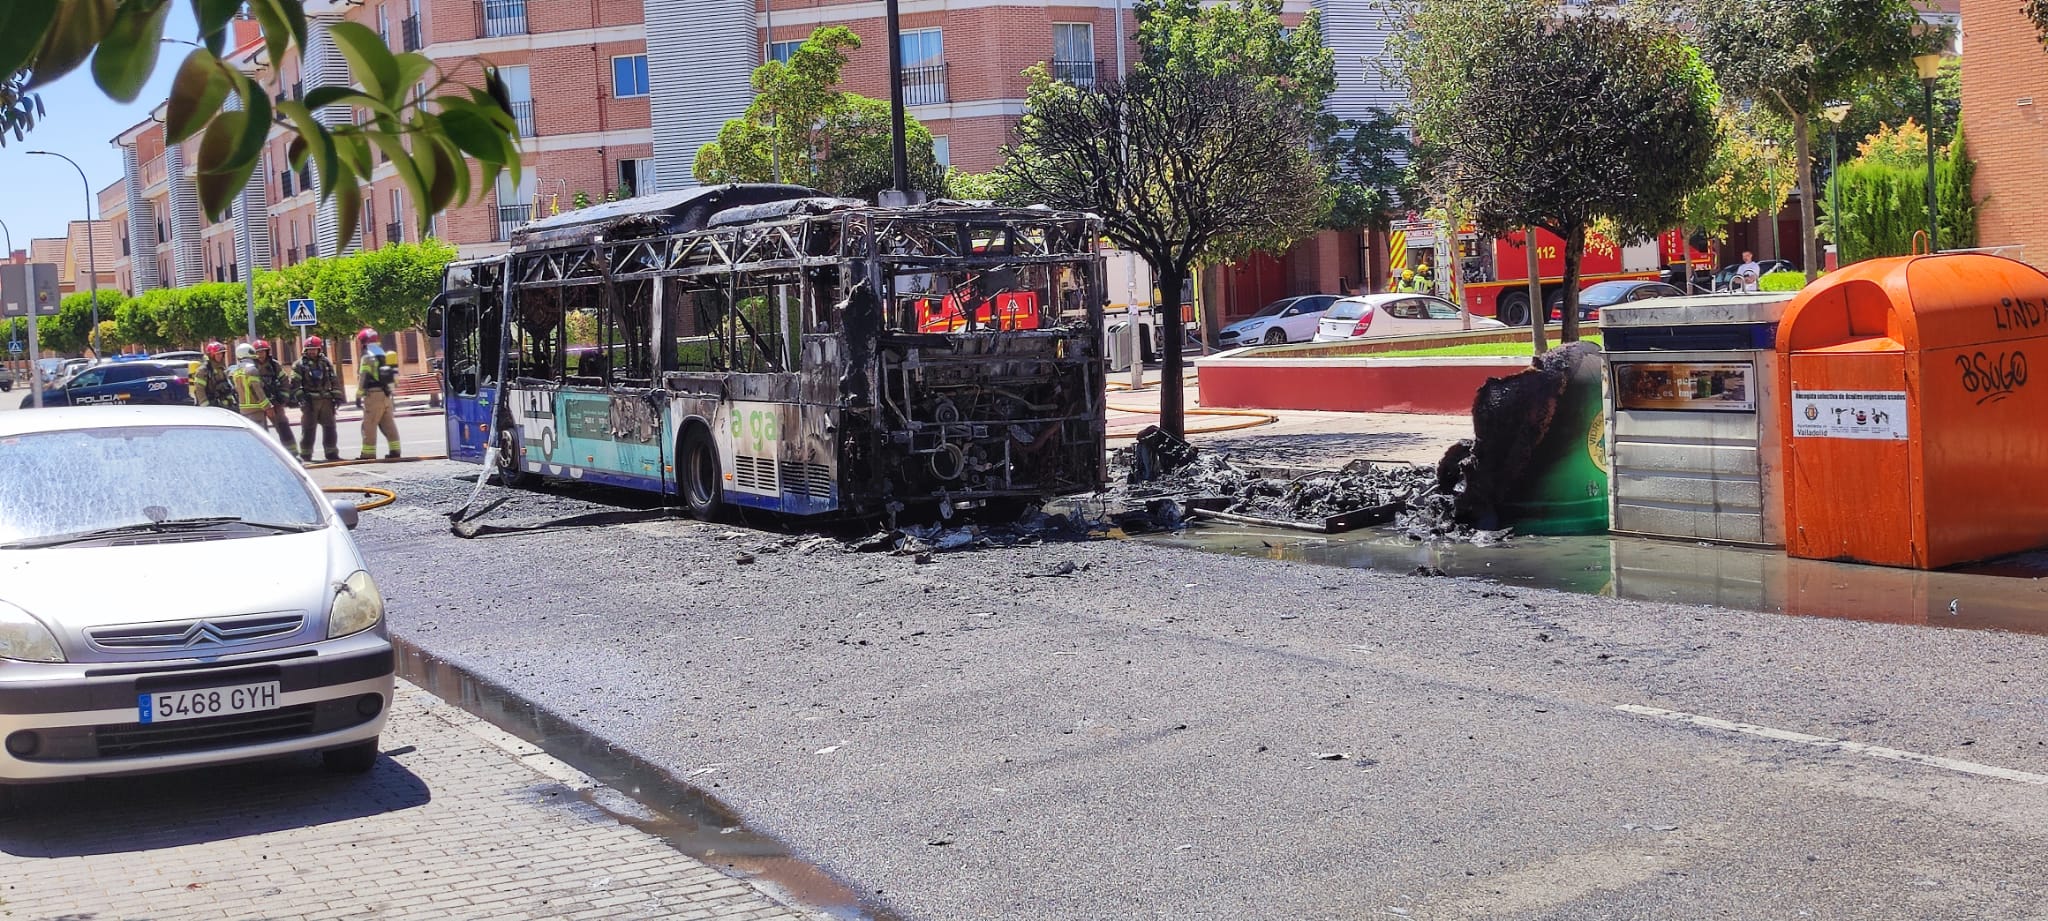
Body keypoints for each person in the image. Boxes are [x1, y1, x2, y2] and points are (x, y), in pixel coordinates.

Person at [293, 335, 344, 462]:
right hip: (310, 402)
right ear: (305, 350)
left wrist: (337, 396)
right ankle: (306, 454)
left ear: (319, 350)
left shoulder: (325, 362)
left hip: (326, 400)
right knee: (309, 428)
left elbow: (334, 380)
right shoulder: (299, 365)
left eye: (314, 349)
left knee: (330, 427)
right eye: (309, 349)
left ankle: (331, 453)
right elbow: (295, 384)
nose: (312, 351)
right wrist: (302, 399)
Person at [355, 328, 401, 459]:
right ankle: (395, 451)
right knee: (388, 424)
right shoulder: (384, 354)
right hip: (386, 394)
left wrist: (359, 395)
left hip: (373, 395)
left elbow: (364, 377)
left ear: (364, 341)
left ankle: (368, 454)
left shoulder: (367, 356)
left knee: (369, 424)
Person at [250, 339, 295, 449]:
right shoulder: (251, 367)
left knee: (283, 426)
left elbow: (284, 380)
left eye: (263, 351)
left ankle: (292, 452)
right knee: (261, 431)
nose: (261, 354)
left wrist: (283, 397)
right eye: (258, 352)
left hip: (275, 403)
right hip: (258, 404)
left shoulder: (274, 365)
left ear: (267, 352)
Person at [228, 342, 274, 432]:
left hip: (243, 410)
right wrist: (268, 407)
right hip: (256, 410)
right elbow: (257, 390)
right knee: (262, 437)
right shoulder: (252, 369)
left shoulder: (236, 371)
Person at [188, 340, 237, 410]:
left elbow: (225, 387)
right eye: (217, 354)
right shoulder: (203, 370)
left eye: (221, 354)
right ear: (211, 355)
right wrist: (206, 407)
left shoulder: (221, 368)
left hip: (222, 405)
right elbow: (199, 390)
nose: (220, 356)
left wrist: (231, 402)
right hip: (210, 405)